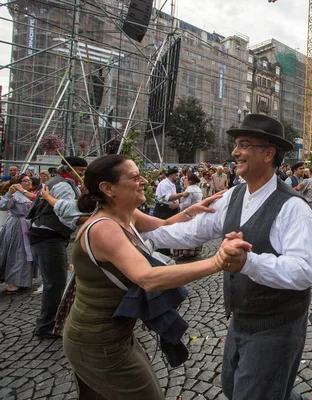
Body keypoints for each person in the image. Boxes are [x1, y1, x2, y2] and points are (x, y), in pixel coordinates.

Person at [143, 114, 312, 400]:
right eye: (236, 144)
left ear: (268, 153)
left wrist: (248, 262)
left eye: (244, 145)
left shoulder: (293, 208)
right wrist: (139, 236)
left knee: (254, 394)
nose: (235, 152)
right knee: (233, 386)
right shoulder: (232, 196)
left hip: (277, 326)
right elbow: (191, 233)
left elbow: (304, 271)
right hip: (241, 319)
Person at [60, 154, 249, 399]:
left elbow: (165, 224)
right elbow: (147, 278)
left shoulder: (127, 216)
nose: (144, 182)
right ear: (108, 188)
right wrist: (216, 262)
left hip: (113, 337)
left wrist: (191, 210)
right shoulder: (104, 228)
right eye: (134, 177)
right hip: (96, 342)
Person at [25, 156, 88, 339]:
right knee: (55, 282)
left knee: (57, 281)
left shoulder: (67, 183)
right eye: (81, 171)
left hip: (53, 235)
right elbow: (69, 214)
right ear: (70, 169)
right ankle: (46, 326)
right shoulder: (61, 185)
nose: (82, 175)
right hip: (48, 236)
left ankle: (52, 322)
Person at [0, 176, 37, 294]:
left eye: (29, 180)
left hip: (27, 224)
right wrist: (9, 194)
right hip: (17, 226)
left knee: (26, 253)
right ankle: (14, 282)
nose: (29, 182)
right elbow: (3, 206)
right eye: (25, 181)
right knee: (17, 252)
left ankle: (22, 280)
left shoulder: (28, 194)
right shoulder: (16, 196)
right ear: (18, 184)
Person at [172, 174, 204, 261]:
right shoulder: (198, 189)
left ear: (190, 181)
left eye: (185, 179)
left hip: (188, 214)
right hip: (196, 214)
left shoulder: (189, 190)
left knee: (185, 232)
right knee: (193, 232)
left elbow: (186, 204)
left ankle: (184, 252)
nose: (184, 181)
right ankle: (193, 251)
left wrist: (178, 205)